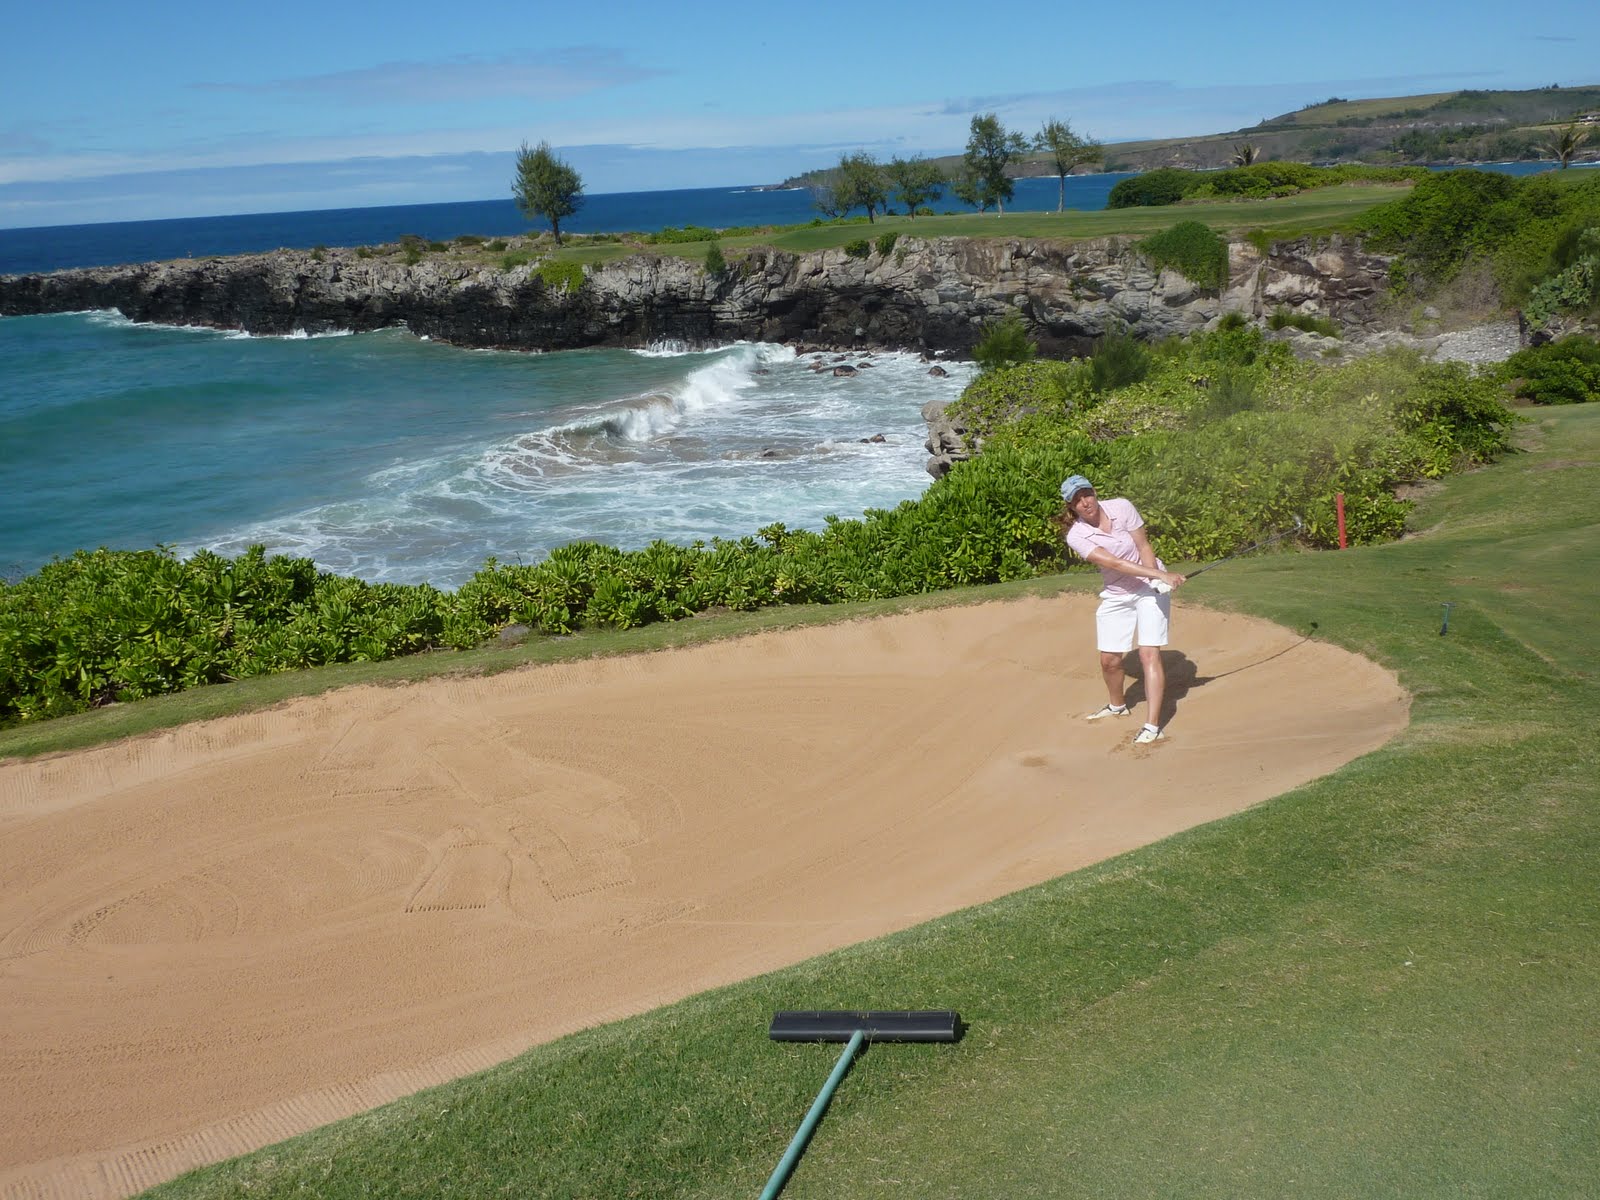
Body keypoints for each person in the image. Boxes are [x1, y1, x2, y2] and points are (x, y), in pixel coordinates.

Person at [1060, 475, 1186, 744]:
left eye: (1087, 494)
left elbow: (1143, 545)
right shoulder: (1077, 535)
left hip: (1148, 588)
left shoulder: (1121, 507)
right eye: (1077, 500)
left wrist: (1154, 579)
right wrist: (1158, 575)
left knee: (1148, 653)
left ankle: (1152, 726)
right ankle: (1117, 706)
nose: (1085, 502)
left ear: (1094, 492)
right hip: (1117, 593)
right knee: (1109, 660)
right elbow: (1114, 563)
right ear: (1071, 507)